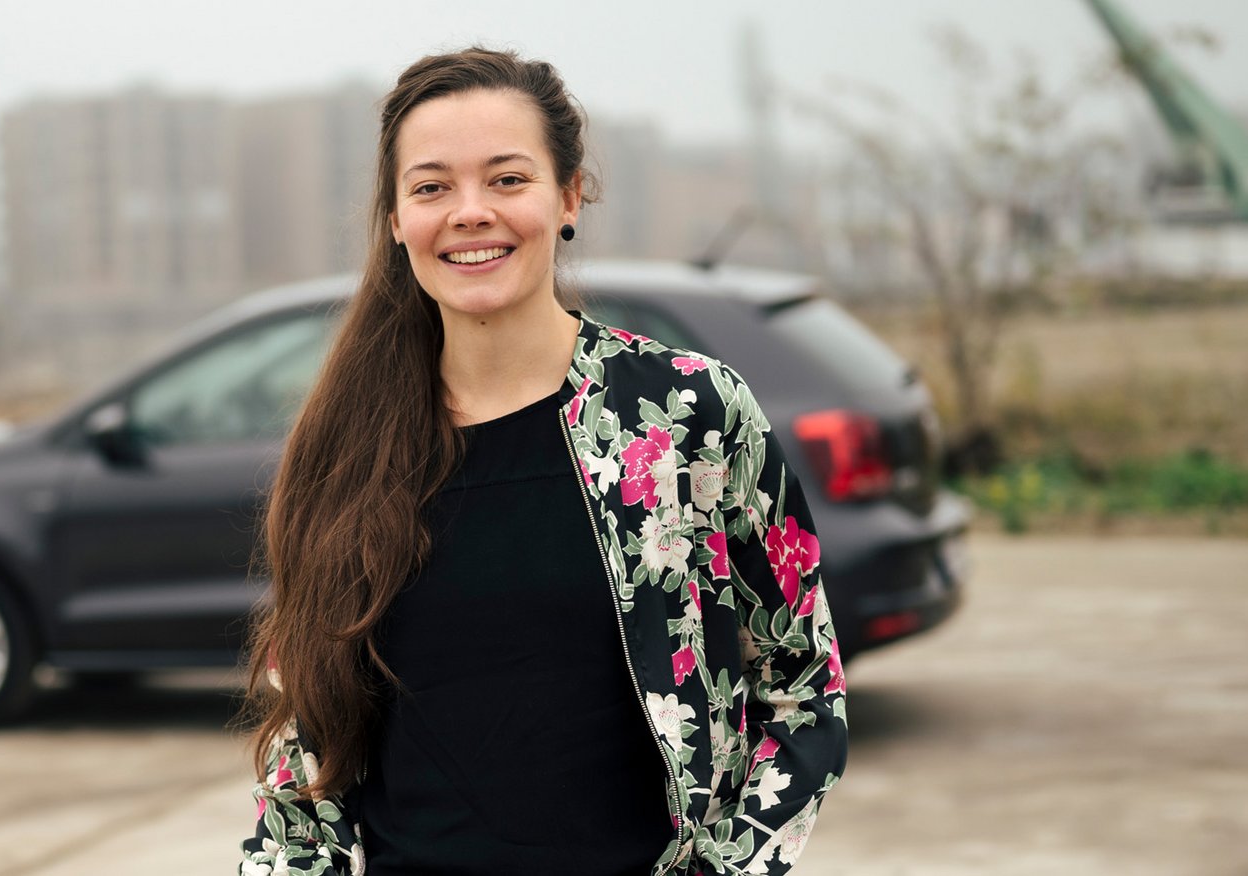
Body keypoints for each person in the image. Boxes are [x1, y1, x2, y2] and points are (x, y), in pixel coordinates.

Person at [238, 47, 847, 876]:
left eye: (506, 179)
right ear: (395, 220)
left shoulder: (686, 417)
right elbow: (302, 755)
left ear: (567, 197)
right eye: (431, 187)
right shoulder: (342, 449)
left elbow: (803, 683)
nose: (469, 211)